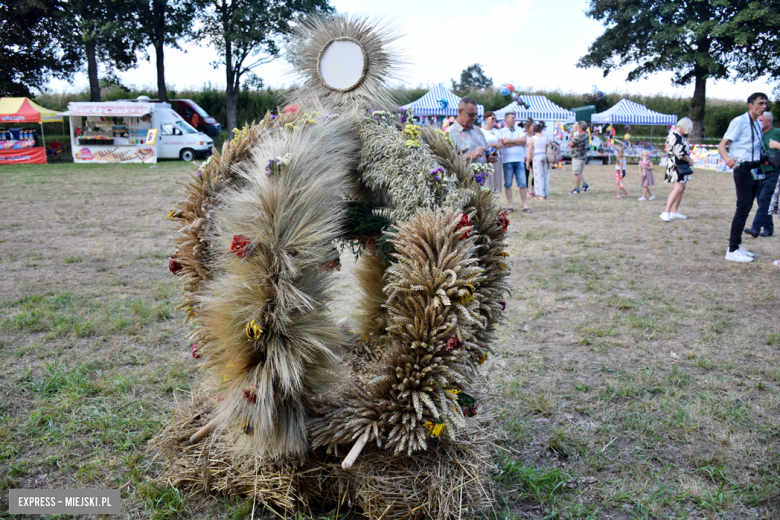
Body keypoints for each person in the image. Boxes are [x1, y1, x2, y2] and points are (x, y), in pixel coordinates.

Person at [718, 93, 767, 262]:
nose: (763, 107)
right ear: (750, 105)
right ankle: (732, 249)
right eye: (760, 103)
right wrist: (728, 160)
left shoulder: (757, 124)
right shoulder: (740, 121)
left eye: (765, 103)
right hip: (743, 168)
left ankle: (737, 245)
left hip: (755, 167)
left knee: (747, 207)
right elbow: (722, 145)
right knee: (742, 207)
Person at [744, 111, 780, 238]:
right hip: (759, 170)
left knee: (765, 198)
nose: (758, 123)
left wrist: (776, 146)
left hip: (774, 171)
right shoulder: (756, 133)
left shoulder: (777, 132)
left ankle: (755, 228)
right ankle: (768, 228)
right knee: (760, 199)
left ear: (769, 121)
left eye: (761, 120)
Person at [660, 117, 695, 222]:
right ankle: (666, 211)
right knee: (679, 188)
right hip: (676, 165)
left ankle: (674, 211)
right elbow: (680, 153)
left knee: (681, 188)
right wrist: (689, 160)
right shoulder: (675, 136)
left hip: (680, 166)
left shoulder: (678, 136)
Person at [447, 97, 497, 166]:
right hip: (463, 176)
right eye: (471, 114)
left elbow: (487, 153)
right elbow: (447, 160)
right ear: (459, 111)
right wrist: (471, 156)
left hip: (481, 176)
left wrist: (491, 157)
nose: (474, 118)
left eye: (476, 114)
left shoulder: (478, 130)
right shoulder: (449, 133)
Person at [497, 112, 530, 212]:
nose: (514, 120)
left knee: (523, 184)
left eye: (514, 118)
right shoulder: (501, 131)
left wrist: (510, 141)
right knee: (508, 184)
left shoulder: (520, 130)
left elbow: (524, 141)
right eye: (512, 118)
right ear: (506, 120)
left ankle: (525, 205)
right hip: (507, 161)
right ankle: (510, 205)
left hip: (519, 161)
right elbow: (503, 143)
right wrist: (517, 142)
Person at [480, 111, 505, 193]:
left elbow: (501, 144)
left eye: (495, 118)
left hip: (496, 157)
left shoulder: (497, 131)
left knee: (495, 180)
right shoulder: (481, 131)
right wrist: (495, 144)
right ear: (486, 119)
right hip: (485, 158)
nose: (494, 120)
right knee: (486, 180)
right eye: (492, 118)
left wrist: (489, 144)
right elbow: (482, 144)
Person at [526, 123, 550, 200]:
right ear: (541, 129)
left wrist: (527, 162)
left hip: (537, 156)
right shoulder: (546, 138)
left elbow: (529, 152)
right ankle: (545, 193)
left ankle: (540, 194)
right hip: (545, 156)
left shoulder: (532, 138)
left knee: (538, 175)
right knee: (545, 175)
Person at [568, 121, 591, 194]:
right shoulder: (586, 136)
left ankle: (577, 189)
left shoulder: (579, 136)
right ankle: (585, 185)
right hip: (583, 157)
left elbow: (571, 143)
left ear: (581, 128)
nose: (577, 129)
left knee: (576, 174)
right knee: (580, 173)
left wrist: (574, 137)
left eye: (578, 127)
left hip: (577, 157)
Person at [524, 119, 535, 196]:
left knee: (535, 174)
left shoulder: (535, 135)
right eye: (532, 126)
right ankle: (526, 191)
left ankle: (532, 189)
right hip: (525, 157)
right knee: (526, 174)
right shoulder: (524, 135)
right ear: (528, 126)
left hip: (534, 156)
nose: (534, 128)